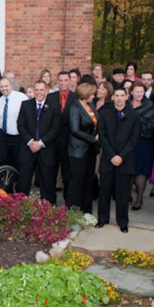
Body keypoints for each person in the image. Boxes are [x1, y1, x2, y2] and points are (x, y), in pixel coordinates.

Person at [97, 88, 140, 232]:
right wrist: (112, 155)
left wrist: (121, 156)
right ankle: (102, 218)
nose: (120, 98)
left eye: (122, 95)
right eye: (117, 96)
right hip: (108, 159)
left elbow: (134, 140)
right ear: (113, 97)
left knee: (123, 194)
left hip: (125, 160)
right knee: (104, 191)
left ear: (127, 97)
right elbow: (102, 136)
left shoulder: (134, 116)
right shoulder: (104, 114)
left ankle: (122, 221)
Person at [17, 81, 59, 204]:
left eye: (41, 90)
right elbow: (21, 125)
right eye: (37, 90)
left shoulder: (54, 106)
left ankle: (48, 206)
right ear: (33, 91)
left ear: (46, 90)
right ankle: (20, 205)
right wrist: (30, 142)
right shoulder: (26, 105)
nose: (39, 92)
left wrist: (40, 143)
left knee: (47, 180)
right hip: (28, 148)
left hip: (46, 148)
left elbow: (55, 128)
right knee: (24, 179)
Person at [66, 83, 99, 213]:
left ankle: (86, 209)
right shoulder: (75, 108)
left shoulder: (90, 106)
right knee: (77, 180)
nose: (94, 96)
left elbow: (95, 123)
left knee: (88, 179)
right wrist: (93, 139)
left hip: (90, 150)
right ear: (85, 94)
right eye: (92, 94)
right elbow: (75, 130)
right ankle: (73, 210)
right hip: (78, 150)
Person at [47, 71, 78, 205]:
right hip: (52, 141)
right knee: (51, 172)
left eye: (66, 80)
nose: (64, 83)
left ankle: (68, 201)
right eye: (61, 80)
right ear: (57, 82)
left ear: (70, 82)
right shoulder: (50, 97)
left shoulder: (76, 98)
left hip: (69, 140)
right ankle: (50, 201)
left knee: (67, 173)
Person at [128, 83, 154, 211]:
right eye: (137, 91)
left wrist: (135, 126)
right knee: (128, 170)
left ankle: (139, 198)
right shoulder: (126, 104)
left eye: (141, 91)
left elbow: (151, 124)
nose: (139, 94)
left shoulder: (149, 106)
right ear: (131, 92)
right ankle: (127, 196)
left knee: (140, 170)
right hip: (127, 142)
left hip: (143, 141)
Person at [0, 77, 27, 167]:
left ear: (11, 86)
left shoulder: (21, 98)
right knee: (5, 161)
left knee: (16, 162)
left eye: (6, 86)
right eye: (1, 87)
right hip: (3, 137)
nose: (4, 88)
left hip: (17, 137)